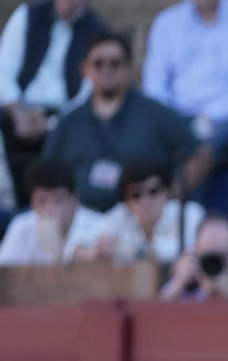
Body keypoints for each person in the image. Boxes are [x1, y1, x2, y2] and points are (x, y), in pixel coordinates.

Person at [41, 30, 204, 212]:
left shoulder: (156, 114)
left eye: (115, 63)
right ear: (85, 69)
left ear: (130, 68)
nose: (106, 69)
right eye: (98, 63)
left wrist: (171, 199)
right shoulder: (68, 121)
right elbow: (45, 173)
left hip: (139, 218)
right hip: (77, 219)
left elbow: (201, 154)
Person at [0, 0, 109, 195]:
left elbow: (88, 94)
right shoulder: (28, 15)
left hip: (64, 116)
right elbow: (3, 70)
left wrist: (52, 124)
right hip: (18, 110)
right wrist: (18, 113)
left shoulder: (97, 30)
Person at [141, 0, 228, 163]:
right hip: (174, 113)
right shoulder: (166, 22)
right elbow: (155, 82)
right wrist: (168, 118)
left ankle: (179, 188)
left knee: (199, 151)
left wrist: (208, 117)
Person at [76, 157, 204, 263]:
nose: (145, 201)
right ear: (127, 202)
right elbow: (75, 247)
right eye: (136, 195)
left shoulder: (189, 213)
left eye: (153, 191)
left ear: (167, 193)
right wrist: (96, 253)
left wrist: (122, 253)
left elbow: (190, 254)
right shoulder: (120, 215)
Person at [0, 156, 102, 263]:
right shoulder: (20, 226)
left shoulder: (100, 227)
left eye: (58, 201)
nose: (50, 209)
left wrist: (57, 249)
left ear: (74, 199)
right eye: (42, 201)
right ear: (32, 203)